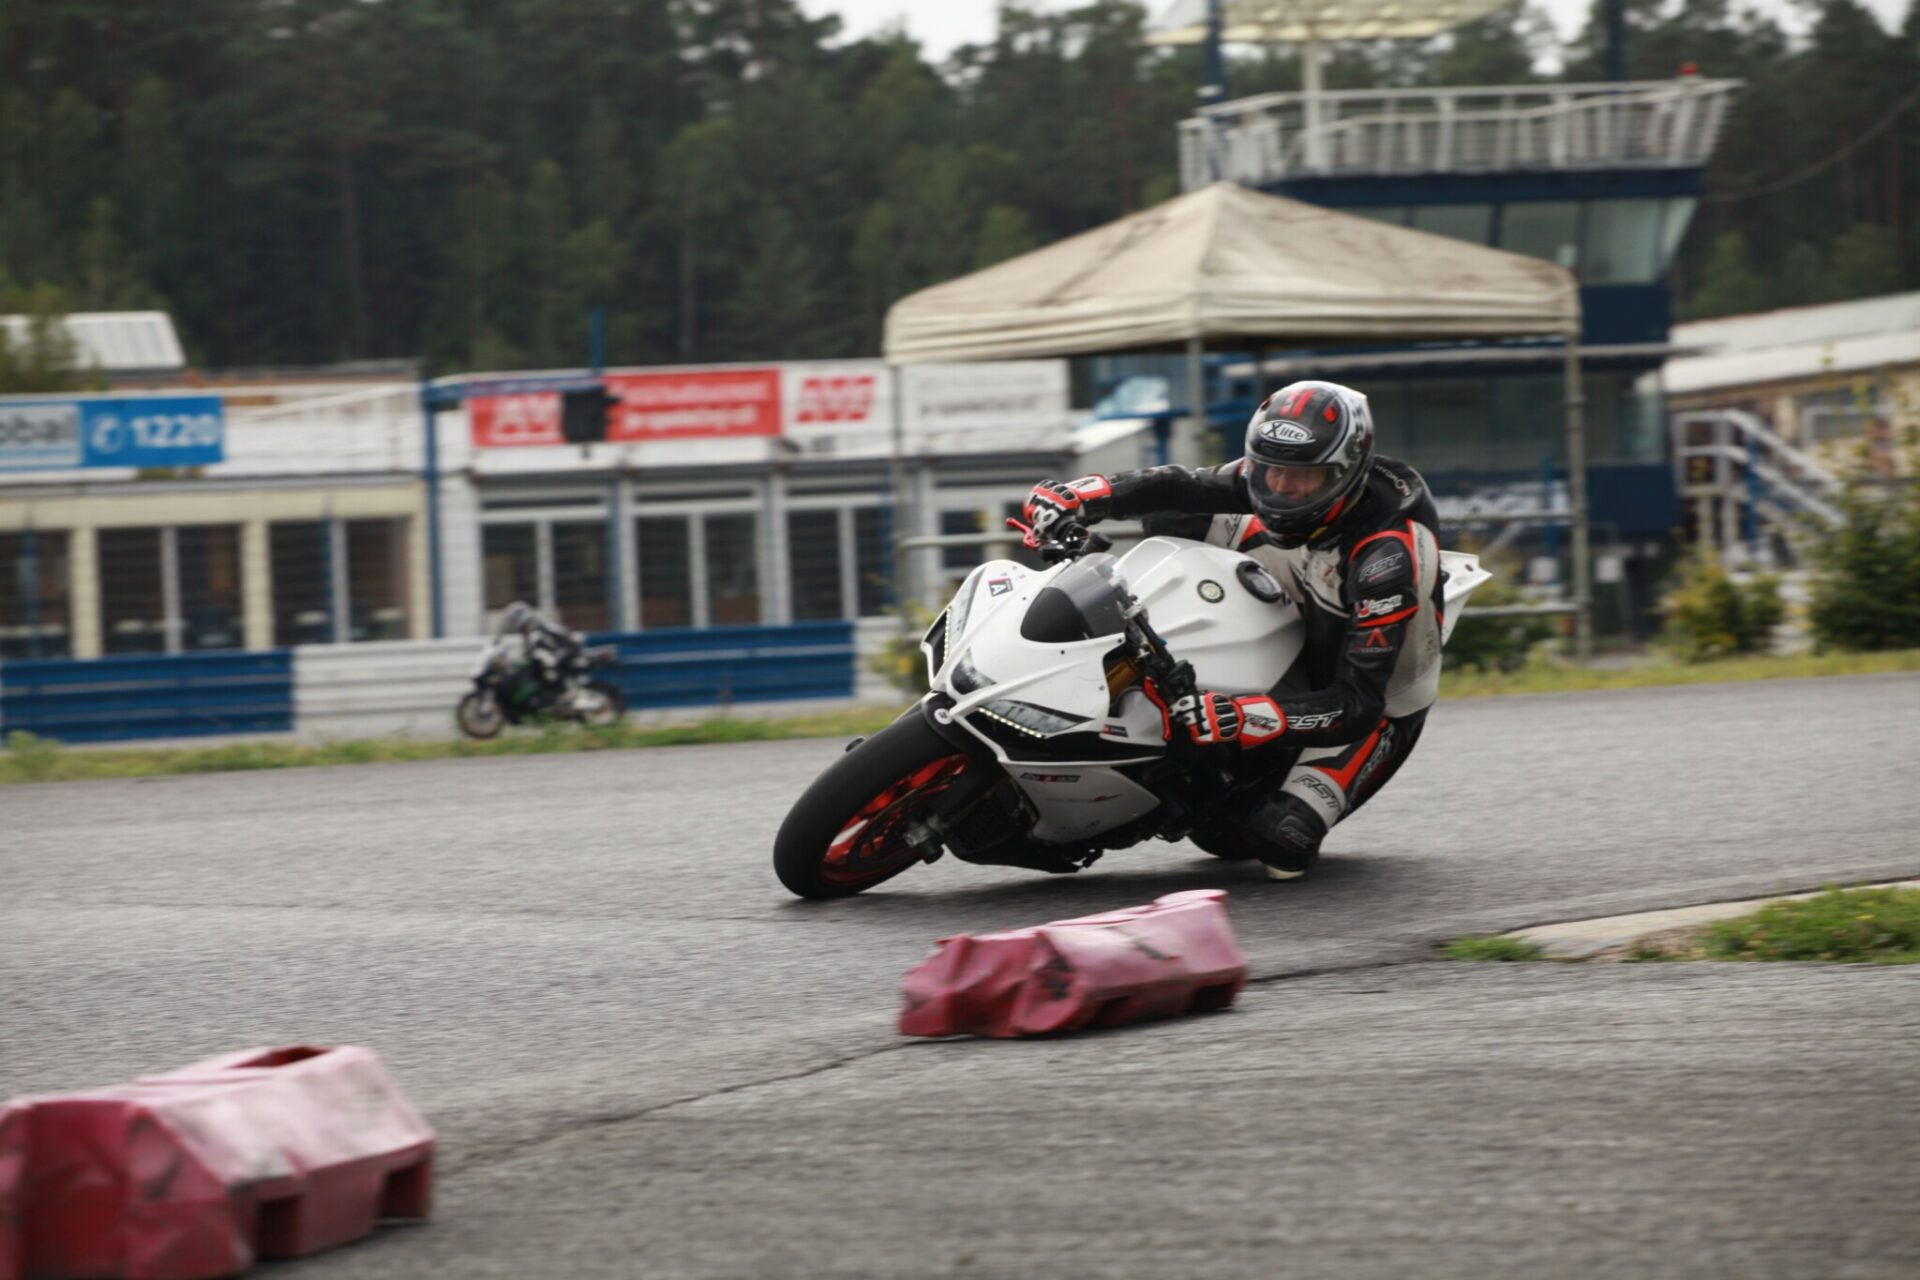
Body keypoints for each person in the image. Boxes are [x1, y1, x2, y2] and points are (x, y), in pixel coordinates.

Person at [1020, 379, 1444, 881]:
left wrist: (1244, 715)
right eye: (1268, 470)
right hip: (1302, 576)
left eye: (1302, 478)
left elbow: (1359, 703)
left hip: (1377, 704)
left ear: (1346, 473)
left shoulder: (1386, 560)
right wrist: (1081, 496)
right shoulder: (1284, 475)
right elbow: (1178, 485)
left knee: (1277, 840)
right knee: (1178, 513)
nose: (1279, 489)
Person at [496, 601, 584, 695]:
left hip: (564, 662)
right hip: (557, 660)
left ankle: (565, 693)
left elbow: (563, 648)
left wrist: (551, 659)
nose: (513, 624)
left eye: (513, 621)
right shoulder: (529, 633)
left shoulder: (541, 630)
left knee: (549, 673)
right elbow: (528, 654)